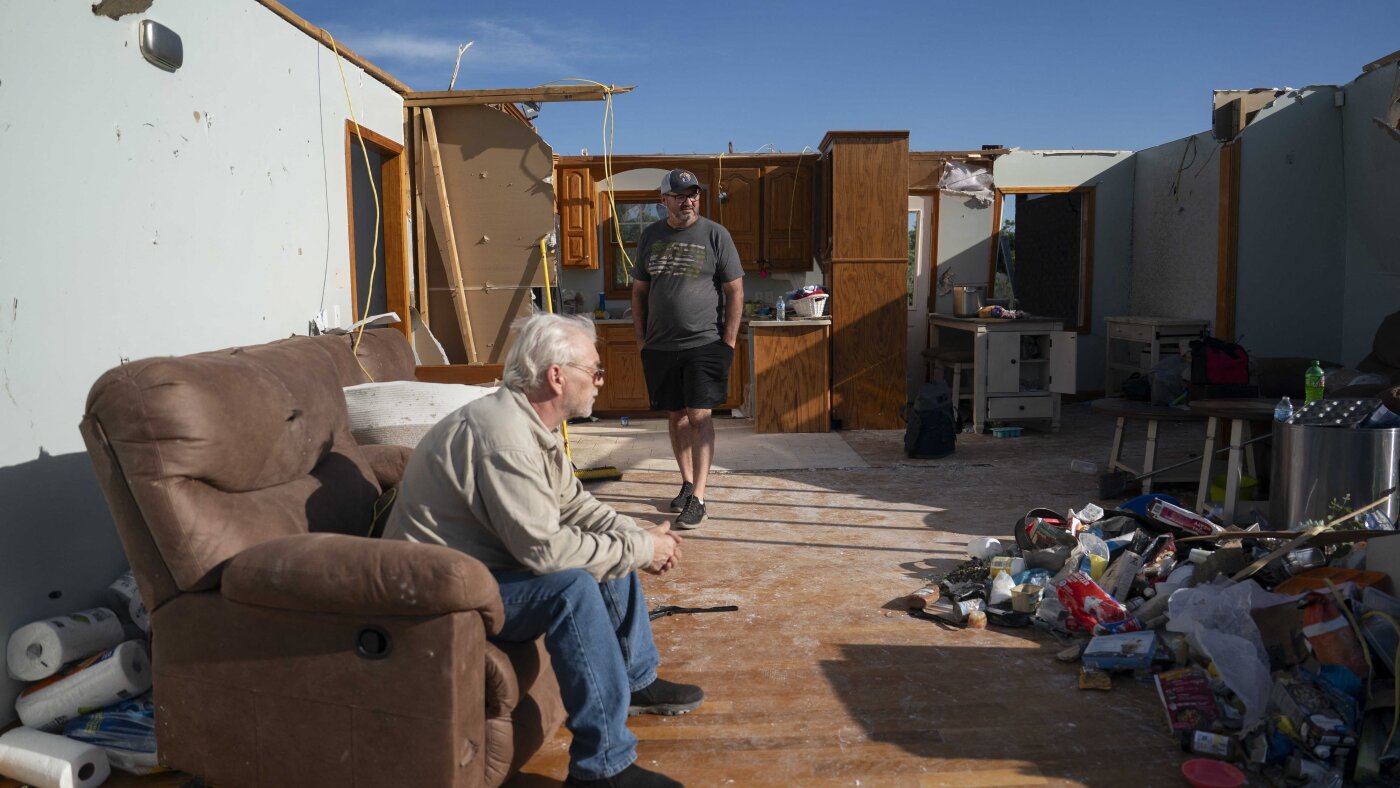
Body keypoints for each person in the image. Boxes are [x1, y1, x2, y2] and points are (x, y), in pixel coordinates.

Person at [384, 313, 700, 788]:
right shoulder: (503, 439)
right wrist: (639, 549)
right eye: (594, 371)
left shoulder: (532, 424)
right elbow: (546, 554)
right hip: (441, 591)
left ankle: (637, 681)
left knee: (610, 549)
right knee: (571, 586)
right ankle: (602, 770)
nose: (599, 381)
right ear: (557, 376)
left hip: (481, 565)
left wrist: (640, 535)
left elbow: (571, 503)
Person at [630, 169, 744, 529]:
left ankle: (699, 497)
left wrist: (727, 341)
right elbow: (639, 292)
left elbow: (735, 291)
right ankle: (686, 482)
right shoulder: (650, 236)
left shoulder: (715, 234)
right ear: (663, 200)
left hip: (704, 343)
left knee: (700, 416)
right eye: (679, 195)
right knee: (676, 416)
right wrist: (640, 340)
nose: (688, 200)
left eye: (692, 194)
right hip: (660, 346)